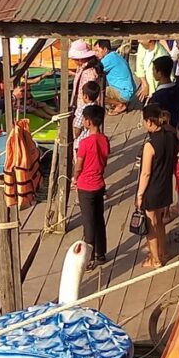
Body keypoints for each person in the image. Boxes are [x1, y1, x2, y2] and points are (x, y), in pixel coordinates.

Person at [137, 104, 179, 269]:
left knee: (150, 224)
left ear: (149, 121)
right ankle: (163, 251)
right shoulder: (170, 136)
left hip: (152, 188)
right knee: (160, 221)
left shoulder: (150, 145)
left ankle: (155, 259)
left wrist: (140, 195)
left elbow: (145, 173)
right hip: (165, 184)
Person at [74, 105, 110, 269]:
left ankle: (88, 259)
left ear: (88, 122)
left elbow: (79, 165)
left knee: (88, 223)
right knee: (99, 219)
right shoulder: (104, 140)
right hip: (99, 183)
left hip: (86, 185)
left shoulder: (85, 142)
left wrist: (75, 178)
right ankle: (101, 253)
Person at [95, 39, 136, 115]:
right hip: (130, 91)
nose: (96, 53)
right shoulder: (115, 55)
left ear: (105, 49)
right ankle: (119, 102)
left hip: (124, 93)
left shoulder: (108, 59)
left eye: (97, 51)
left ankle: (120, 104)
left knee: (97, 93)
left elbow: (95, 70)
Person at [70, 39, 103, 133]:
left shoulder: (89, 73)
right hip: (83, 105)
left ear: (80, 59)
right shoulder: (83, 68)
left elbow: (90, 93)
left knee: (82, 133)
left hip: (85, 107)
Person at [148, 56, 179, 127]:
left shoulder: (156, 97)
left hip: (165, 132)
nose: (152, 72)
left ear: (159, 73)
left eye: (153, 70)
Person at [76, 81, 102, 145]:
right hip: (94, 138)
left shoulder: (82, 109)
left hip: (82, 139)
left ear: (85, 96)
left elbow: (77, 126)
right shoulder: (97, 107)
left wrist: (75, 136)